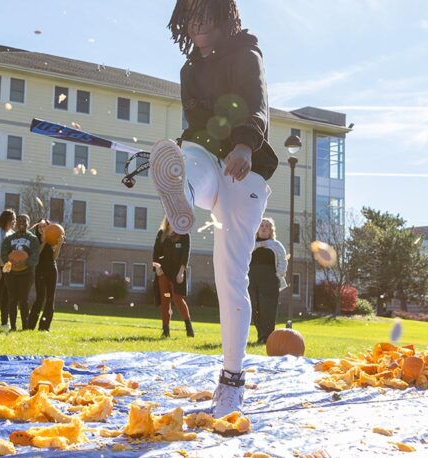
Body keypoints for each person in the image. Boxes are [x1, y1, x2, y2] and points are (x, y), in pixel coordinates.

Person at [148, 0, 277, 417]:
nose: (198, 23)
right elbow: (198, 121)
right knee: (190, 163)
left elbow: (257, 102)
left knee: (229, 276)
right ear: (182, 22)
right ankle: (181, 193)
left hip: (246, 166)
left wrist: (243, 143)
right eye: (191, 16)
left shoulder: (246, 53)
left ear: (226, 17)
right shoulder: (189, 70)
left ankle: (232, 379)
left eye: (206, 15)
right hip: (204, 152)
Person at [152, 217, 194, 338]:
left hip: (177, 273)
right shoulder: (161, 233)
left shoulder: (184, 235)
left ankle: (188, 327)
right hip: (163, 272)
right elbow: (155, 253)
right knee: (166, 299)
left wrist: (181, 272)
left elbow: (185, 255)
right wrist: (157, 268)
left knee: (177, 299)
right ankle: (166, 330)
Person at [249, 217, 288, 344]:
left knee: (268, 308)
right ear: (257, 229)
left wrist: (278, 274)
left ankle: (268, 337)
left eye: (267, 226)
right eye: (261, 225)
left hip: (270, 281)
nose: (264, 228)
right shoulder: (249, 244)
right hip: (252, 280)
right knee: (254, 308)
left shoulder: (276, 245)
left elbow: (283, 261)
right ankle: (261, 335)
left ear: (271, 230)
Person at [1, 214, 40, 331]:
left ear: (29, 223)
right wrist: (11, 262)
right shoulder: (8, 239)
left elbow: (35, 256)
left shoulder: (33, 239)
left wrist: (24, 263)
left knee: (23, 299)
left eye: (25, 220)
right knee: (12, 299)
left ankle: (25, 326)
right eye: (19, 221)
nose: (22, 223)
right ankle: (12, 326)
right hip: (11, 273)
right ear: (15, 223)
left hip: (27, 273)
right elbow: (3, 254)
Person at [26, 219, 63, 331]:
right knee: (40, 297)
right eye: (40, 227)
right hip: (40, 270)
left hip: (51, 268)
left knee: (50, 298)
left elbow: (54, 257)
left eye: (44, 226)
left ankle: (44, 327)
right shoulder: (34, 239)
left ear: (49, 227)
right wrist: (44, 241)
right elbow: (36, 255)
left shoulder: (53, 239)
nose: (42, 229)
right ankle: (30, 325)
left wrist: (59, 244)